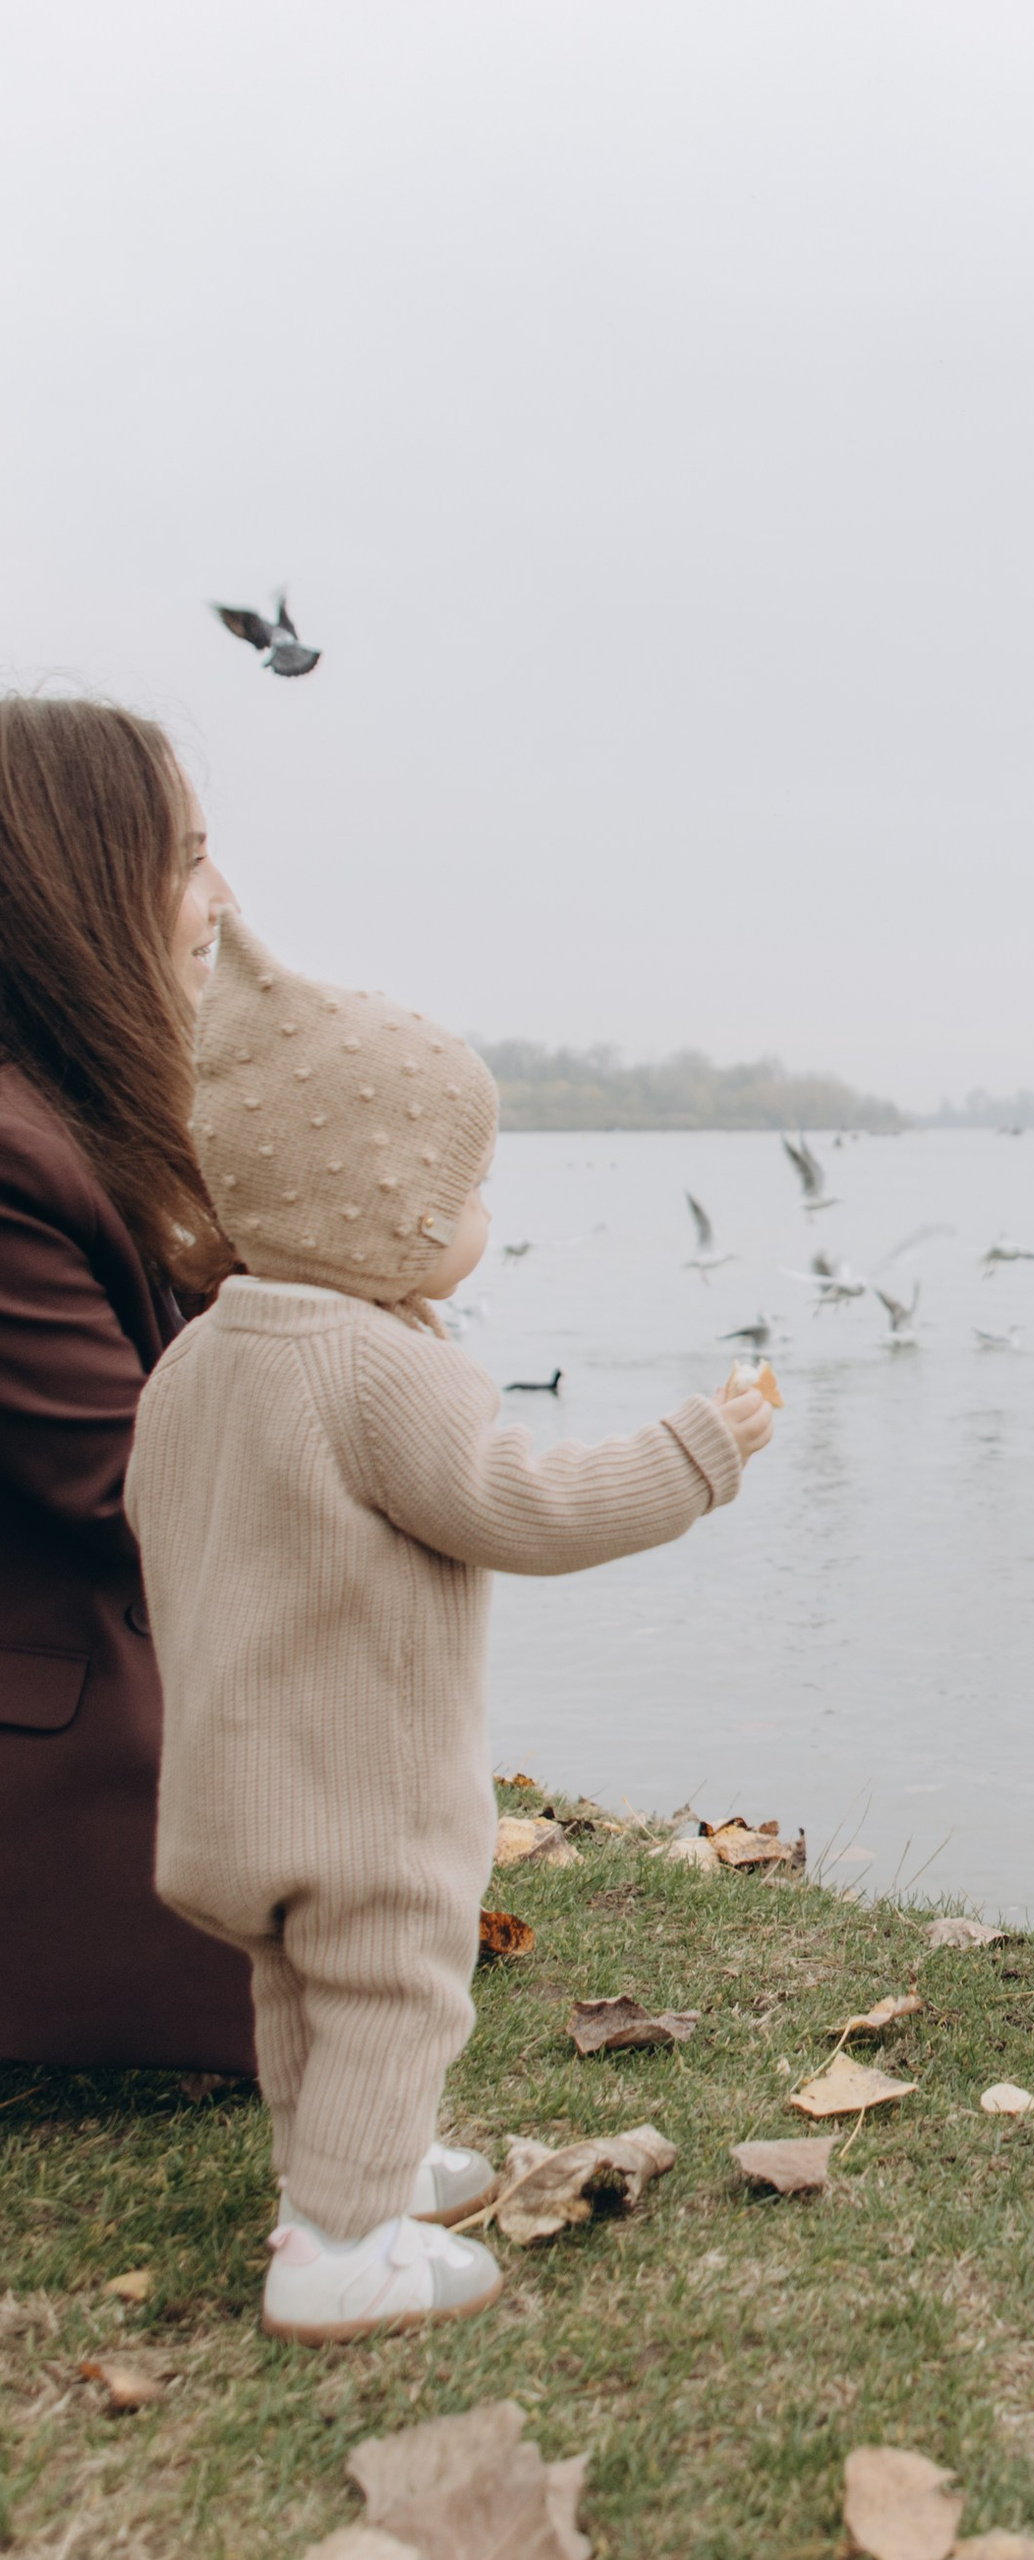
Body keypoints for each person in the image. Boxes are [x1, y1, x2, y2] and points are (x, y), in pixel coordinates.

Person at [126, 913, 779, 2344]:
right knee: (394, 1985)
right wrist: (696, 1451)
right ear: (392, 1218)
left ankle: (345, 2170)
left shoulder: (198, 1359)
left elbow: (161, 1520)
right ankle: (340, 2249)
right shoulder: (380, 1369)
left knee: (304, 1988)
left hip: (228, 1779)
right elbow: (525, 1505)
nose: (484, 1220)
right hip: (361, 1786)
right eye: (470, 1194)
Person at [0, 695, 256, 2075]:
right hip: (61, 1778)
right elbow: (129, 1485)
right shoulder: (13, 1160)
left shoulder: (84, 1121)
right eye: (187, 858)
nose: (216, 900)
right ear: (82, 883)